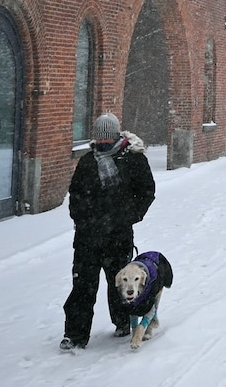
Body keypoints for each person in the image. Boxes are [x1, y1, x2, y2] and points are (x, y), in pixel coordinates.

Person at [60, 113, 155, 350]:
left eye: (107, 138)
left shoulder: (133, 160)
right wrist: (81, 218)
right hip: (87, 237)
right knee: (82, 286)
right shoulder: (87, 162)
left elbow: (146, 191)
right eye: (99, 139)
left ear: (115, 136)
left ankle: (123, 322)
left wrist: (129, 216)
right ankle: (75, 335)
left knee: (120, 283)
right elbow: (76, 195)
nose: (102, 143)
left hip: (118, 235)